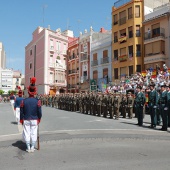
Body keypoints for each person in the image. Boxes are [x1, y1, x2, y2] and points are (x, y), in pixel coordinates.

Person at [20, 77, 42, 153]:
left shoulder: (23, 101)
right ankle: (32, 147)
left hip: (26, 119)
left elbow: (21, 111)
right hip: (35, 119)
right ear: (35, 91)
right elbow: (39, 111)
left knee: (27, 133)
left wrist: (21, 119)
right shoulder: (38, 101)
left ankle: (28, 147)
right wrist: (39, 118)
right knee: (33, 132)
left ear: (28, 92)